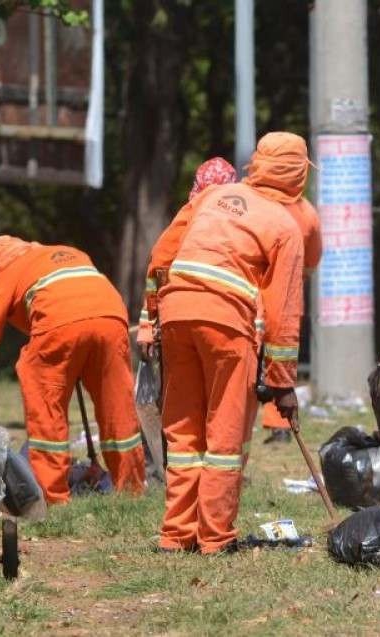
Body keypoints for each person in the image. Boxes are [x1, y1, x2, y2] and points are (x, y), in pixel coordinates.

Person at [145, 132, 306, 554]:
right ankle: (215, 538)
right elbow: (285, 313)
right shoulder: (285, 226)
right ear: (299, 176)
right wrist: (283, 383)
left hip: (176, 311)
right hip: (226, 323)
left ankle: (176, 535)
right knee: (224, 434)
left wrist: (151, 318)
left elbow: (162, 255)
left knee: (182, 432)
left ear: (256, 164)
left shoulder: (212, 196)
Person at [0, 236, 146, 503]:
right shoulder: (67, 252)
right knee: (117, 405)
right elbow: (84, 300)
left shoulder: (6, 274)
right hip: (111, 317)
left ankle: (53, 495)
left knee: (43, 399)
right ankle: (131, 489)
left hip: (60, 323)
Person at [136, 157, 238, 350]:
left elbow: (159, 263)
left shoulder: (190, 212)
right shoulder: (244, 221)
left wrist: (149, 324)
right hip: (230, 320)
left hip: (179, 316)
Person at [259, 160, 322, 444]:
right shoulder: (307, 213)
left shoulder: (255, 204)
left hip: (252, 295)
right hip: (289, 296)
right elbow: (312, 259)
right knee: (282, 358)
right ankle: (280, 424)